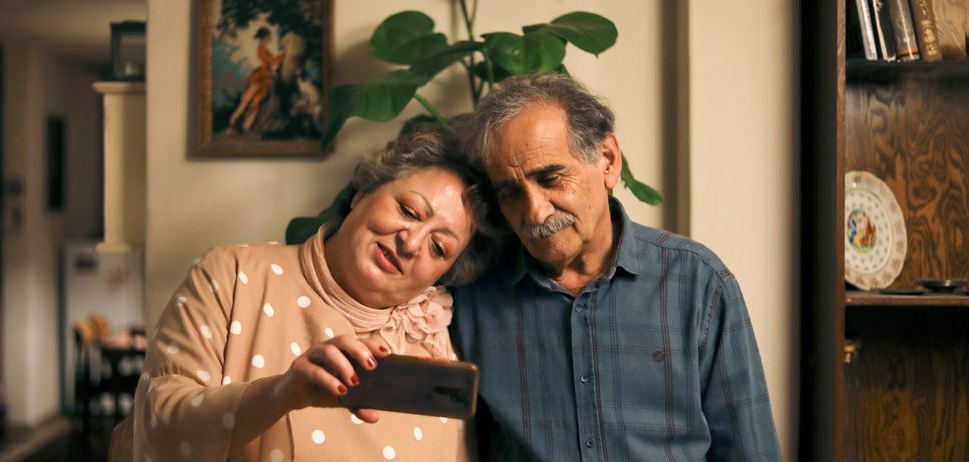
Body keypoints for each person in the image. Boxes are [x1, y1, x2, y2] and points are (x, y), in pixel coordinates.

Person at [109, 125, 499, 461]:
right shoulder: (231, 274)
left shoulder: (434, 338)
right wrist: (281, 393)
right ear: (363, 192)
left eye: (439, 248)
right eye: (410, 211)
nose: (412, 243)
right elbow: (156, 435)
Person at [451, 73, 781, 461]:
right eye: (510, 193)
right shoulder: (470, 290)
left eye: (550, 178)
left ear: (607, 161)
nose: (535, 212)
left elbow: (750, 452)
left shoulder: (698, 283)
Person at [227, 27, 285, 136]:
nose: (271, 38)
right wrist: (284, 54)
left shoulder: (264, 48)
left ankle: (243, 127)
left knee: (254, 103)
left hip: (264, 78)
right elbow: (273, 61)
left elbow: (272, 62)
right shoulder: (262, 49)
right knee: (248, 101)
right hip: (261, 77)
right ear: (265, 37)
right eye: (269, 36)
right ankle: (234, 125)